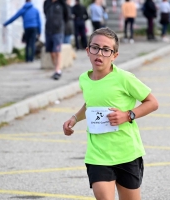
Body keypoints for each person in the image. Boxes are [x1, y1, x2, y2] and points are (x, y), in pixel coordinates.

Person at [63, 27, 159, 200]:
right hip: (97, 154)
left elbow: (152, 103)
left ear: (115, 55)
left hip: (127, 152)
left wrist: (127, 115)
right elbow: (91, 104)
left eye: (106, 50)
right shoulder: (84, 79)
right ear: (87, 51)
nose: (99, 53)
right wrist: (75, 118)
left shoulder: (124, 78)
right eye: (95, 47)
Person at [43, 0, 68, 80]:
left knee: (57, 51)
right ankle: (56, 69)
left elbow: (66, 16)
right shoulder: (47, 3)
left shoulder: (62, 3)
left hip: (58, 31)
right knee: (51, 52)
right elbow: (45, 14)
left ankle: (57, 70)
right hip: (48, 30)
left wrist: (60, 24)